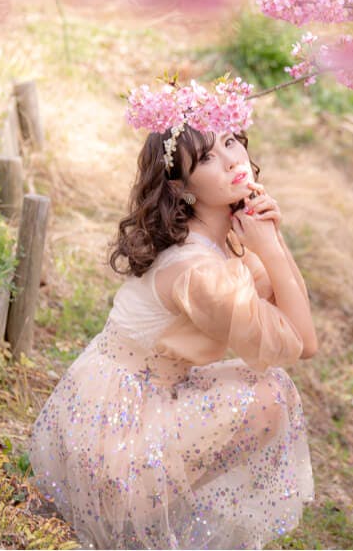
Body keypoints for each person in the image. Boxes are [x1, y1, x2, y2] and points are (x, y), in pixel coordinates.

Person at [29, 123, 318, 549]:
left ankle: (157, 509)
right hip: (115, 428)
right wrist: (271, 248)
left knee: (268, 389)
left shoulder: (220, 241)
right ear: (181, 186)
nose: (232, 160)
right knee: (269, 394)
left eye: (231, 143)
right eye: (206, 158)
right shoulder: (196, 269)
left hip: (142, 399)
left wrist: (269, 235)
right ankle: (134, 519)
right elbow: (303, 342)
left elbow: (290, 313)